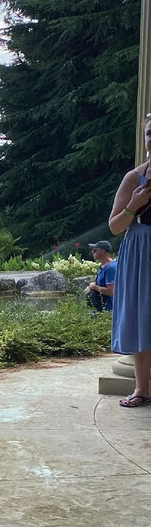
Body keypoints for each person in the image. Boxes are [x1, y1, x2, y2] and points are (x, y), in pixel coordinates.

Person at [109, 112, 151, 407]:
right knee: (140, 317)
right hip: (140, 253)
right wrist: (134, 206)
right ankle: (141, 389)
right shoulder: (134, 177)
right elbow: (114, 226)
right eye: (150, 133)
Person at [86, 241, 116, 312]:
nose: (92, 252)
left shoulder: (111, 268)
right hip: (98, 307)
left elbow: (110, 291)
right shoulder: (102, 266)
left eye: (94, 250)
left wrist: (94, 287)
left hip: (107, 309)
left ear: (102, 251)